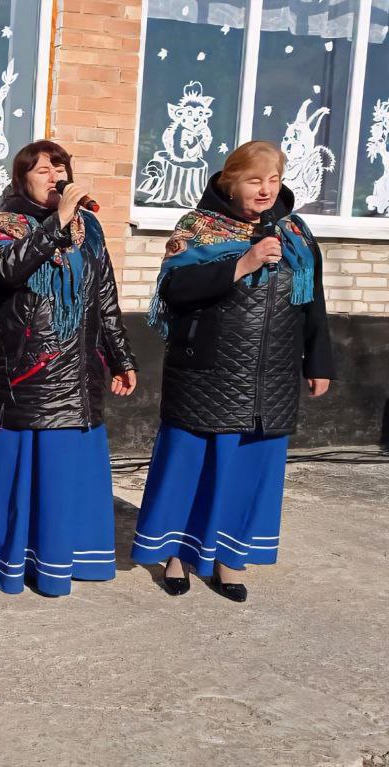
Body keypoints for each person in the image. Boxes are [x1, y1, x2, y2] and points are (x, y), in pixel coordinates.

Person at [132, 140, 334, 602]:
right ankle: (178, 555)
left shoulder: (296, 232)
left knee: (248, 470)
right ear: (230, 182)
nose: (265, 190)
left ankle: (229, 559)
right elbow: (175, 290)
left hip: (273, 374)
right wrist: (241, 264)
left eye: (273, 180)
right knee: (193, 467)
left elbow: (312, 300)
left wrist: (318, 360)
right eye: (254, 180)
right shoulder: (198, 228)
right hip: (207, 371)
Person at [0, 140, 137, 596]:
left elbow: (104, 298)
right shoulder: (2, 225)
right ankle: (8, 555)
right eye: (40, 169)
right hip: (25, 370)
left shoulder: (91, 228)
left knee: (65, 474)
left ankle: (63, 557)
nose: (52, 175)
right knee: (23, 472)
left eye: (59, 166)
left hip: (78, 372)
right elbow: (5, 271)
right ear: (21, 178)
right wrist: (56, 224)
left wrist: (121, 357)